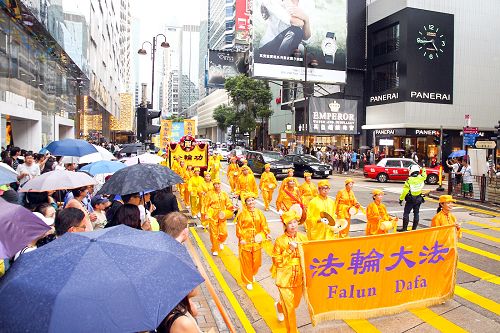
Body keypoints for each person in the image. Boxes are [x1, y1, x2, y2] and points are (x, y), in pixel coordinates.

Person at [271, 210, 308, 333]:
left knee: (295, 304)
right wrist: (290, 250)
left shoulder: (303, 238)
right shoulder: (280, 241)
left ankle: (279, 306)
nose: (293, 225)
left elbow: (311, 254)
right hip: (285, 279)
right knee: (290, 309)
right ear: (285, 225)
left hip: (299, 277)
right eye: (289, 223)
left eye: (295, 222)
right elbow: (277, 261)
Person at [235, 192, 271, 290]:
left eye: (252, 200)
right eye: (248, 201)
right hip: (245, 242)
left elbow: (264, 225)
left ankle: (252, 273)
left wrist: (267, 233)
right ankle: (248, 280)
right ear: (245, 203)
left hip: (257, 242)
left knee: (257, 262)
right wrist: (241, 238)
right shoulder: (242, 214)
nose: (251, 202)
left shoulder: (259, 212)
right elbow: (239, 227)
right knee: (246, 263)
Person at [205, 179, 234, 256]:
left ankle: (221, 241)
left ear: (220, 185)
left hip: (222, 215)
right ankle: (215, 248)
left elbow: (228, 203)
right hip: (213, 215)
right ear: (213, 185)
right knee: (214, 233)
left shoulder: (224, 194)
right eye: (215, 184)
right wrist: (207, 214)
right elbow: (206, 205)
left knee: (224, 232)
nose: (217, 186)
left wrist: (232, 207)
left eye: (218, 184)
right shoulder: (209, 194)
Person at [398, 164, 426, 231]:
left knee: (406, 213)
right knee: (416, 213)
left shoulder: (409, 180)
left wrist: (401, 199)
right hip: (419, 198)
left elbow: (405, 191)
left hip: (410, 199)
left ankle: (404, 228)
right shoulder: (422, 178)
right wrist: (423, 168)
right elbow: (424, 174)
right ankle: (414, 229)